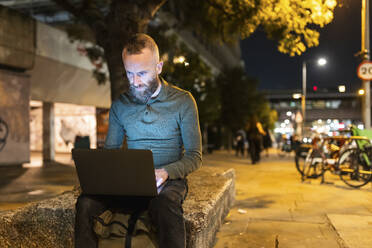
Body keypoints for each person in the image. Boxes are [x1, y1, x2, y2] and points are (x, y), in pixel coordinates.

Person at [74, 33, 202, 248]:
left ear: (159, 67)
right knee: (85, 204)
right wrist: (98, 173)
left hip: (168, 181)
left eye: (142, 73)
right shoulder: (120, 105)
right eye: (129, 74)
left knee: (165, 205)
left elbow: (194, 157)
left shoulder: (183, 101)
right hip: (129, 182)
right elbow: (111, 152)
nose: (135, 82)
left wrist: (165, 172)